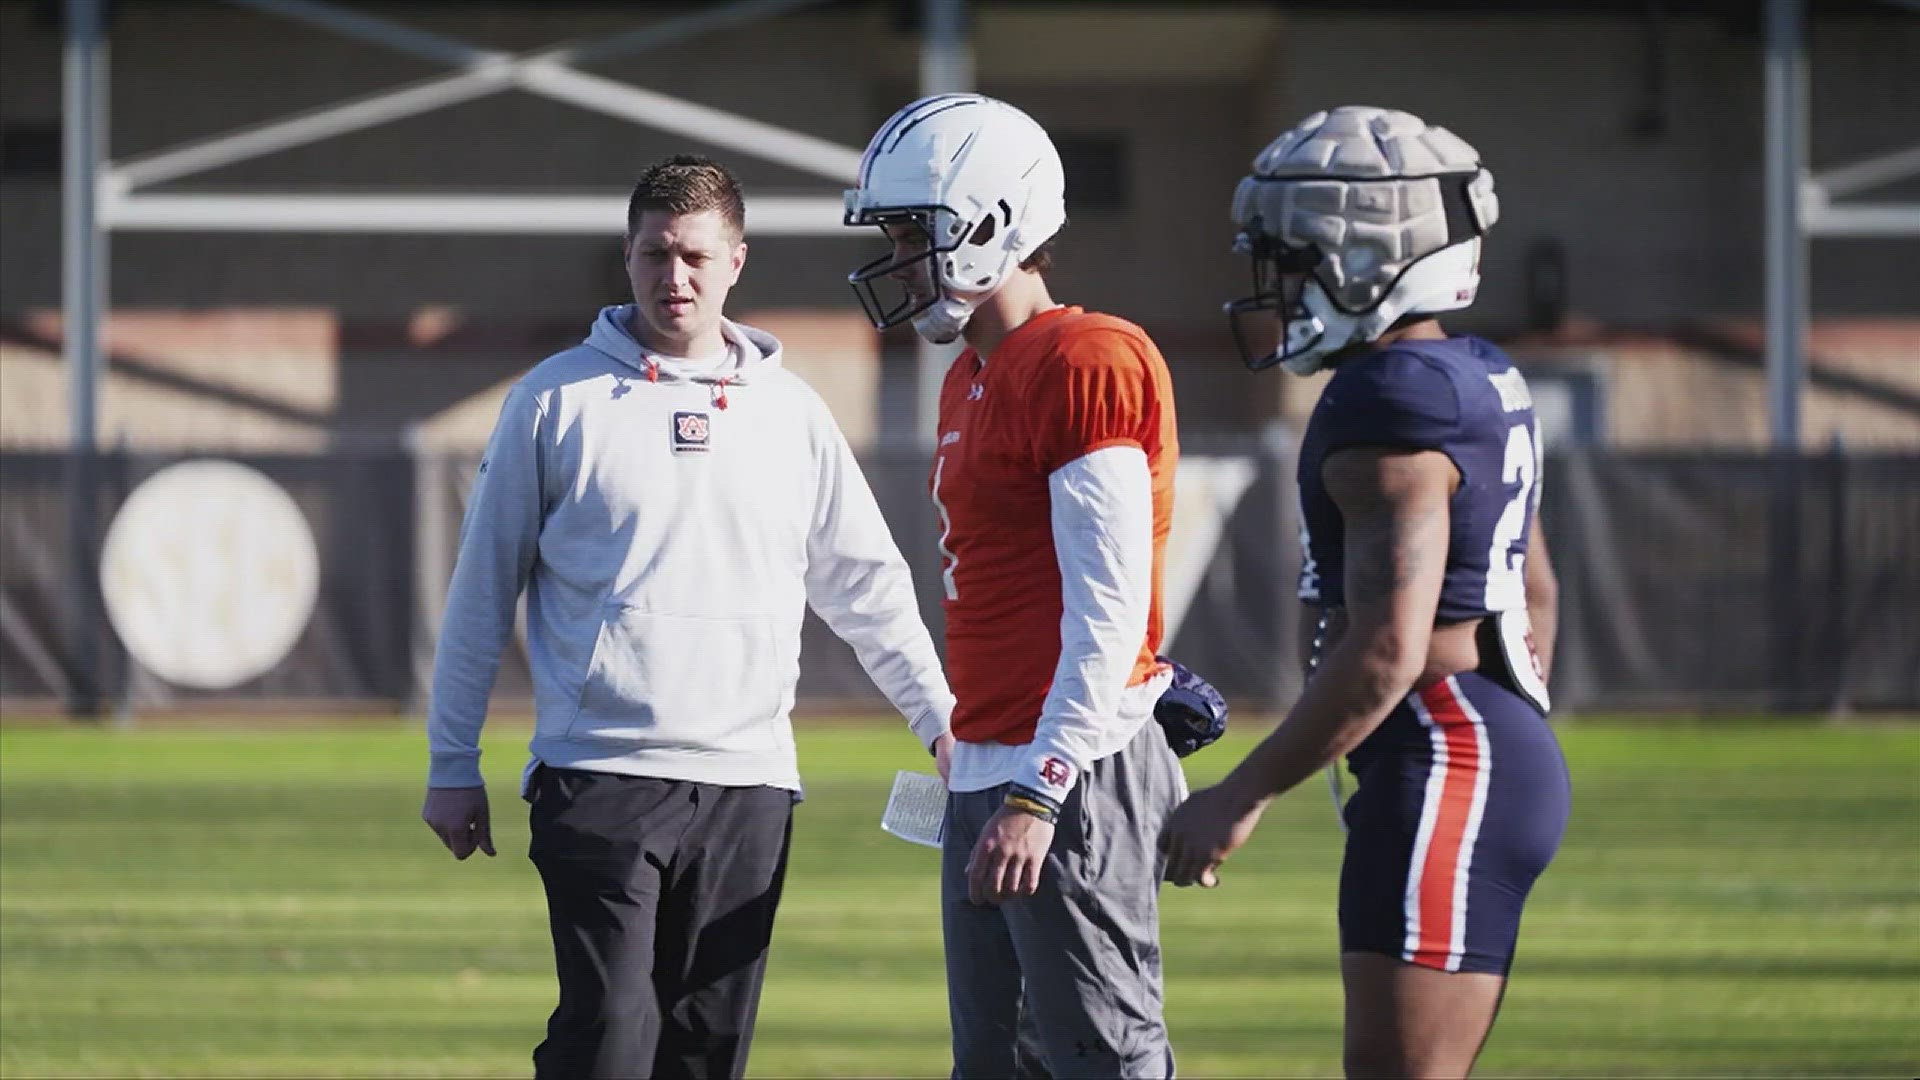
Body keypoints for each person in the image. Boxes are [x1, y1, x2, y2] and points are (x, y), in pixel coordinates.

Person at [421, 154, 957, 1080]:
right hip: (599, 775)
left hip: (750, 786)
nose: (676, 277)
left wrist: (944, 726)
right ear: (626, 258)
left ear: (737, 261)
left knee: (707, 1054)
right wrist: (450, 762)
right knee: (611, 1042)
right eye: (654, 254)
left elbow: (867, 586)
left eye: (697, 256)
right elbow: (480, 591)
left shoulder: (792, 413)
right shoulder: (553, 400)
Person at [1159, 106, 1570, 1079]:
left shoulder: (1393, 397)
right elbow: (1536, 592)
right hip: (1475, 747)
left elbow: (1390, 648)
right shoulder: (1479, 373)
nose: (1281, 288)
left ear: (1377, 258)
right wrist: (1508, 742)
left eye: (1297, 262)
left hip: (1445, 753)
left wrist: (1243, 792)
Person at [844, 93, 1185, 1078]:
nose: (900, 262)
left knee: (1101, 1059)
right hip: (992, 758)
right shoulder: (971, 375)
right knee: (994, 1066)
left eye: (915, 236)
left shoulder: (1086, 358)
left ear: (990, 221)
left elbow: (1110, 606)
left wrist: (1042, 788)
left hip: (1063, 767)